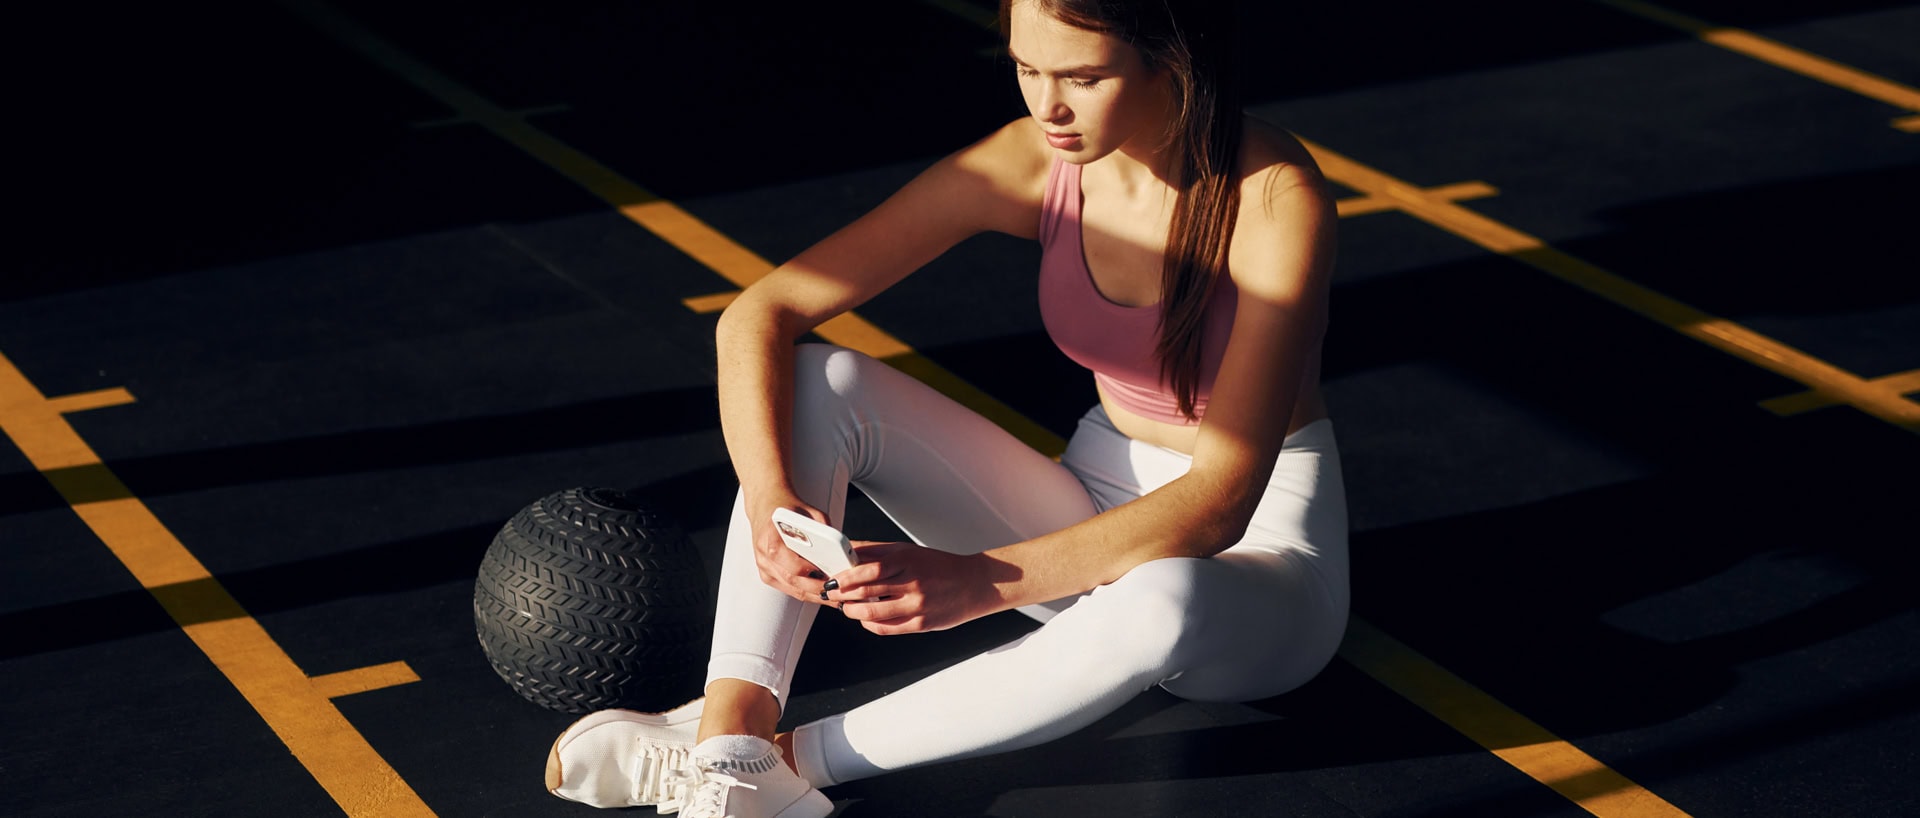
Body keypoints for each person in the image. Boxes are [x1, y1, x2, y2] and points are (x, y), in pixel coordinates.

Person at [544, 0, 1346, 815]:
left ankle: (785, 769)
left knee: (1165, 596)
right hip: (1093, 490)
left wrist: (982, 581)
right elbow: (761, 313)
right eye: (1028, 69)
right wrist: (770, 504)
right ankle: (731, 735)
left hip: (1258, 561)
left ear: (1176, 61)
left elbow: (1219, 505)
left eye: (1084, 77)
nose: (1048, 107)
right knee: (826, 383)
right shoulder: (1034, 159)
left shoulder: (1277, 200)